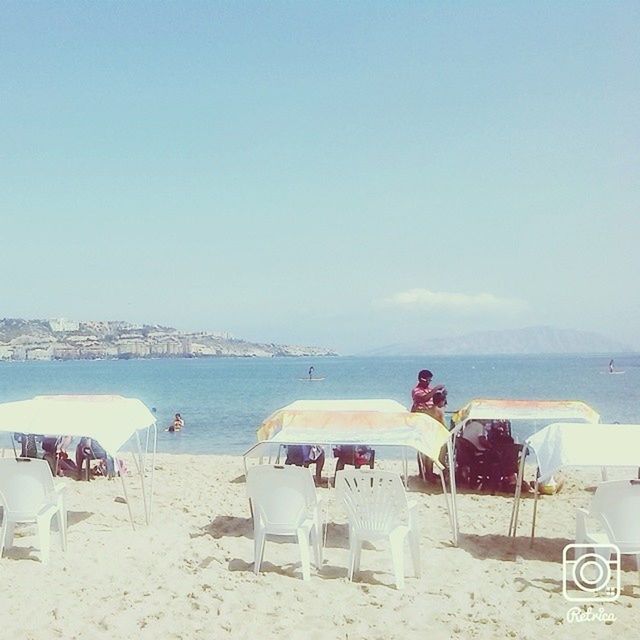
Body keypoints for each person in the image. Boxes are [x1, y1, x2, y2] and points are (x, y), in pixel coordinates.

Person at [411, 369, 447, 482]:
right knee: (422, 449)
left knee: (430, 449)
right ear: (422, 379)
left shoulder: (429, 390)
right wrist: (435, 389)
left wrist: (442, 395)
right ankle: (423, 472)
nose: (429, 382)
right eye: (428, 380)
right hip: (421, 422)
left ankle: (429, 472)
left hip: (431, 422)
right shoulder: (416, 391)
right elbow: (423, 398)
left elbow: (436, 401)